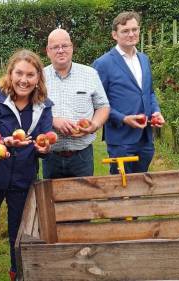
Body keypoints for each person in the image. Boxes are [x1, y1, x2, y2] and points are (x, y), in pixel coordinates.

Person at [0, 50, 53, 281]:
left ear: (38, 78)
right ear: (10, 73)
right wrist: (4, 141)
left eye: (30, 75)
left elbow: (46, 136)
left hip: (22, 179)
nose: (24, 80)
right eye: (19, 73)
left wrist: (45, 148)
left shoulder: (43, 106)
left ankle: (17, 275)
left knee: (20, 234)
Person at [93, 11, 165, 174]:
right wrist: (123, 118)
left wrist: (156, 112)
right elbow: (97, 103)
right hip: (121, 139)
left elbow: (149, 93)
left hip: (146, 137)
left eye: (135, 29)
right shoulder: (103, 64)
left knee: (142, 184)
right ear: (114, 35)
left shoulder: (144, 59)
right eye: (125, 31)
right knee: (121, 188)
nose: (131, 34)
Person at [42, 28, 110, 179]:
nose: (60, 50)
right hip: (51, 155)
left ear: (72, 47)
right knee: (51, 200)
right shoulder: (39, 77)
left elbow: (103, 106)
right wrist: (53, 120)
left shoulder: (90, 74)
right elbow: (32, 110)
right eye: (55, 47)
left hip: (82, 155)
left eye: (65, 46)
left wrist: (95, 124)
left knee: (82, 200)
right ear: (48, 51)